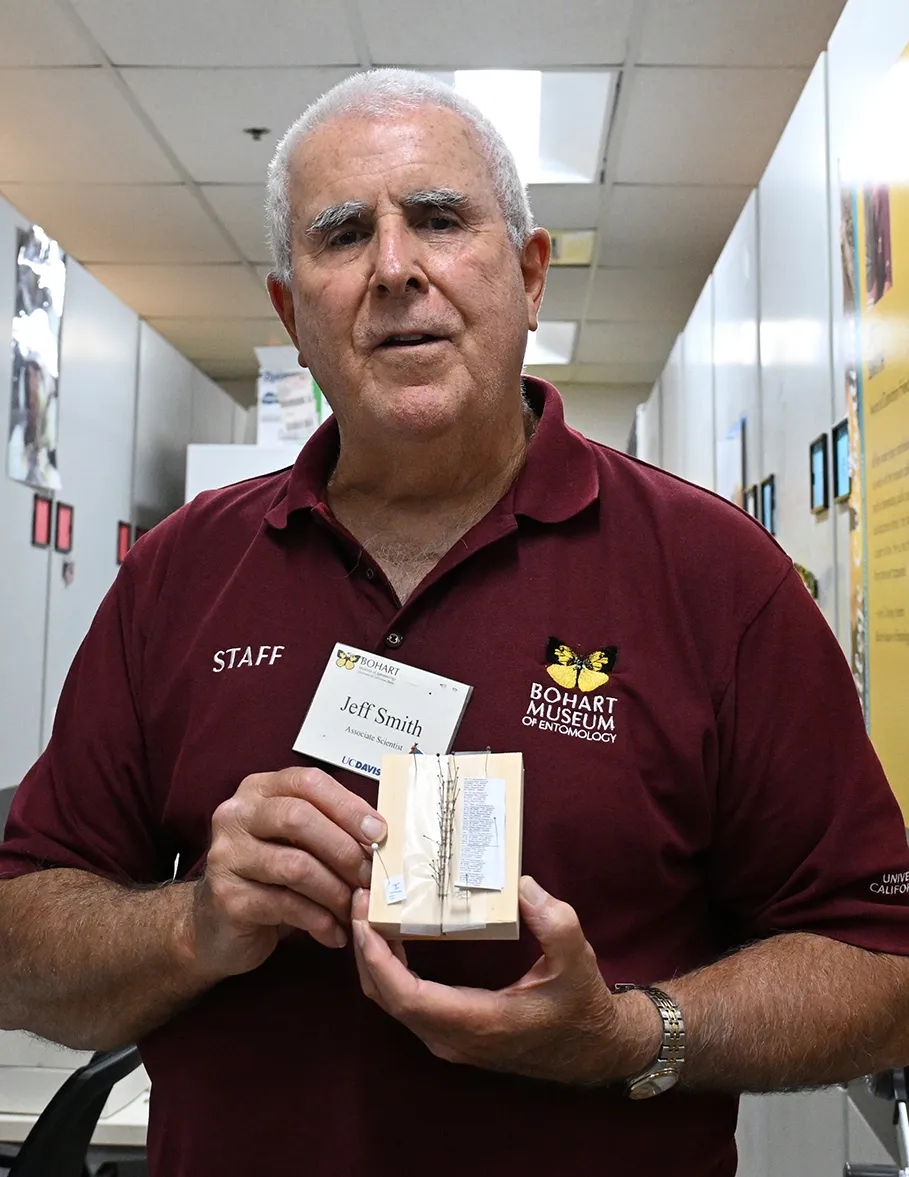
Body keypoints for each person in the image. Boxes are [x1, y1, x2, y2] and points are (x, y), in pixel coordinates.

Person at [1, 68, 909, 1177]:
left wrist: (631, 1035)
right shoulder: (179, 576)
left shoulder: (718, 577)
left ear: (530, 278)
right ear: (293, 316)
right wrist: (192, 923)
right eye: (342, 236)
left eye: (439, 218)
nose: (395, 269)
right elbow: (19, 943)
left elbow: (883, 965)